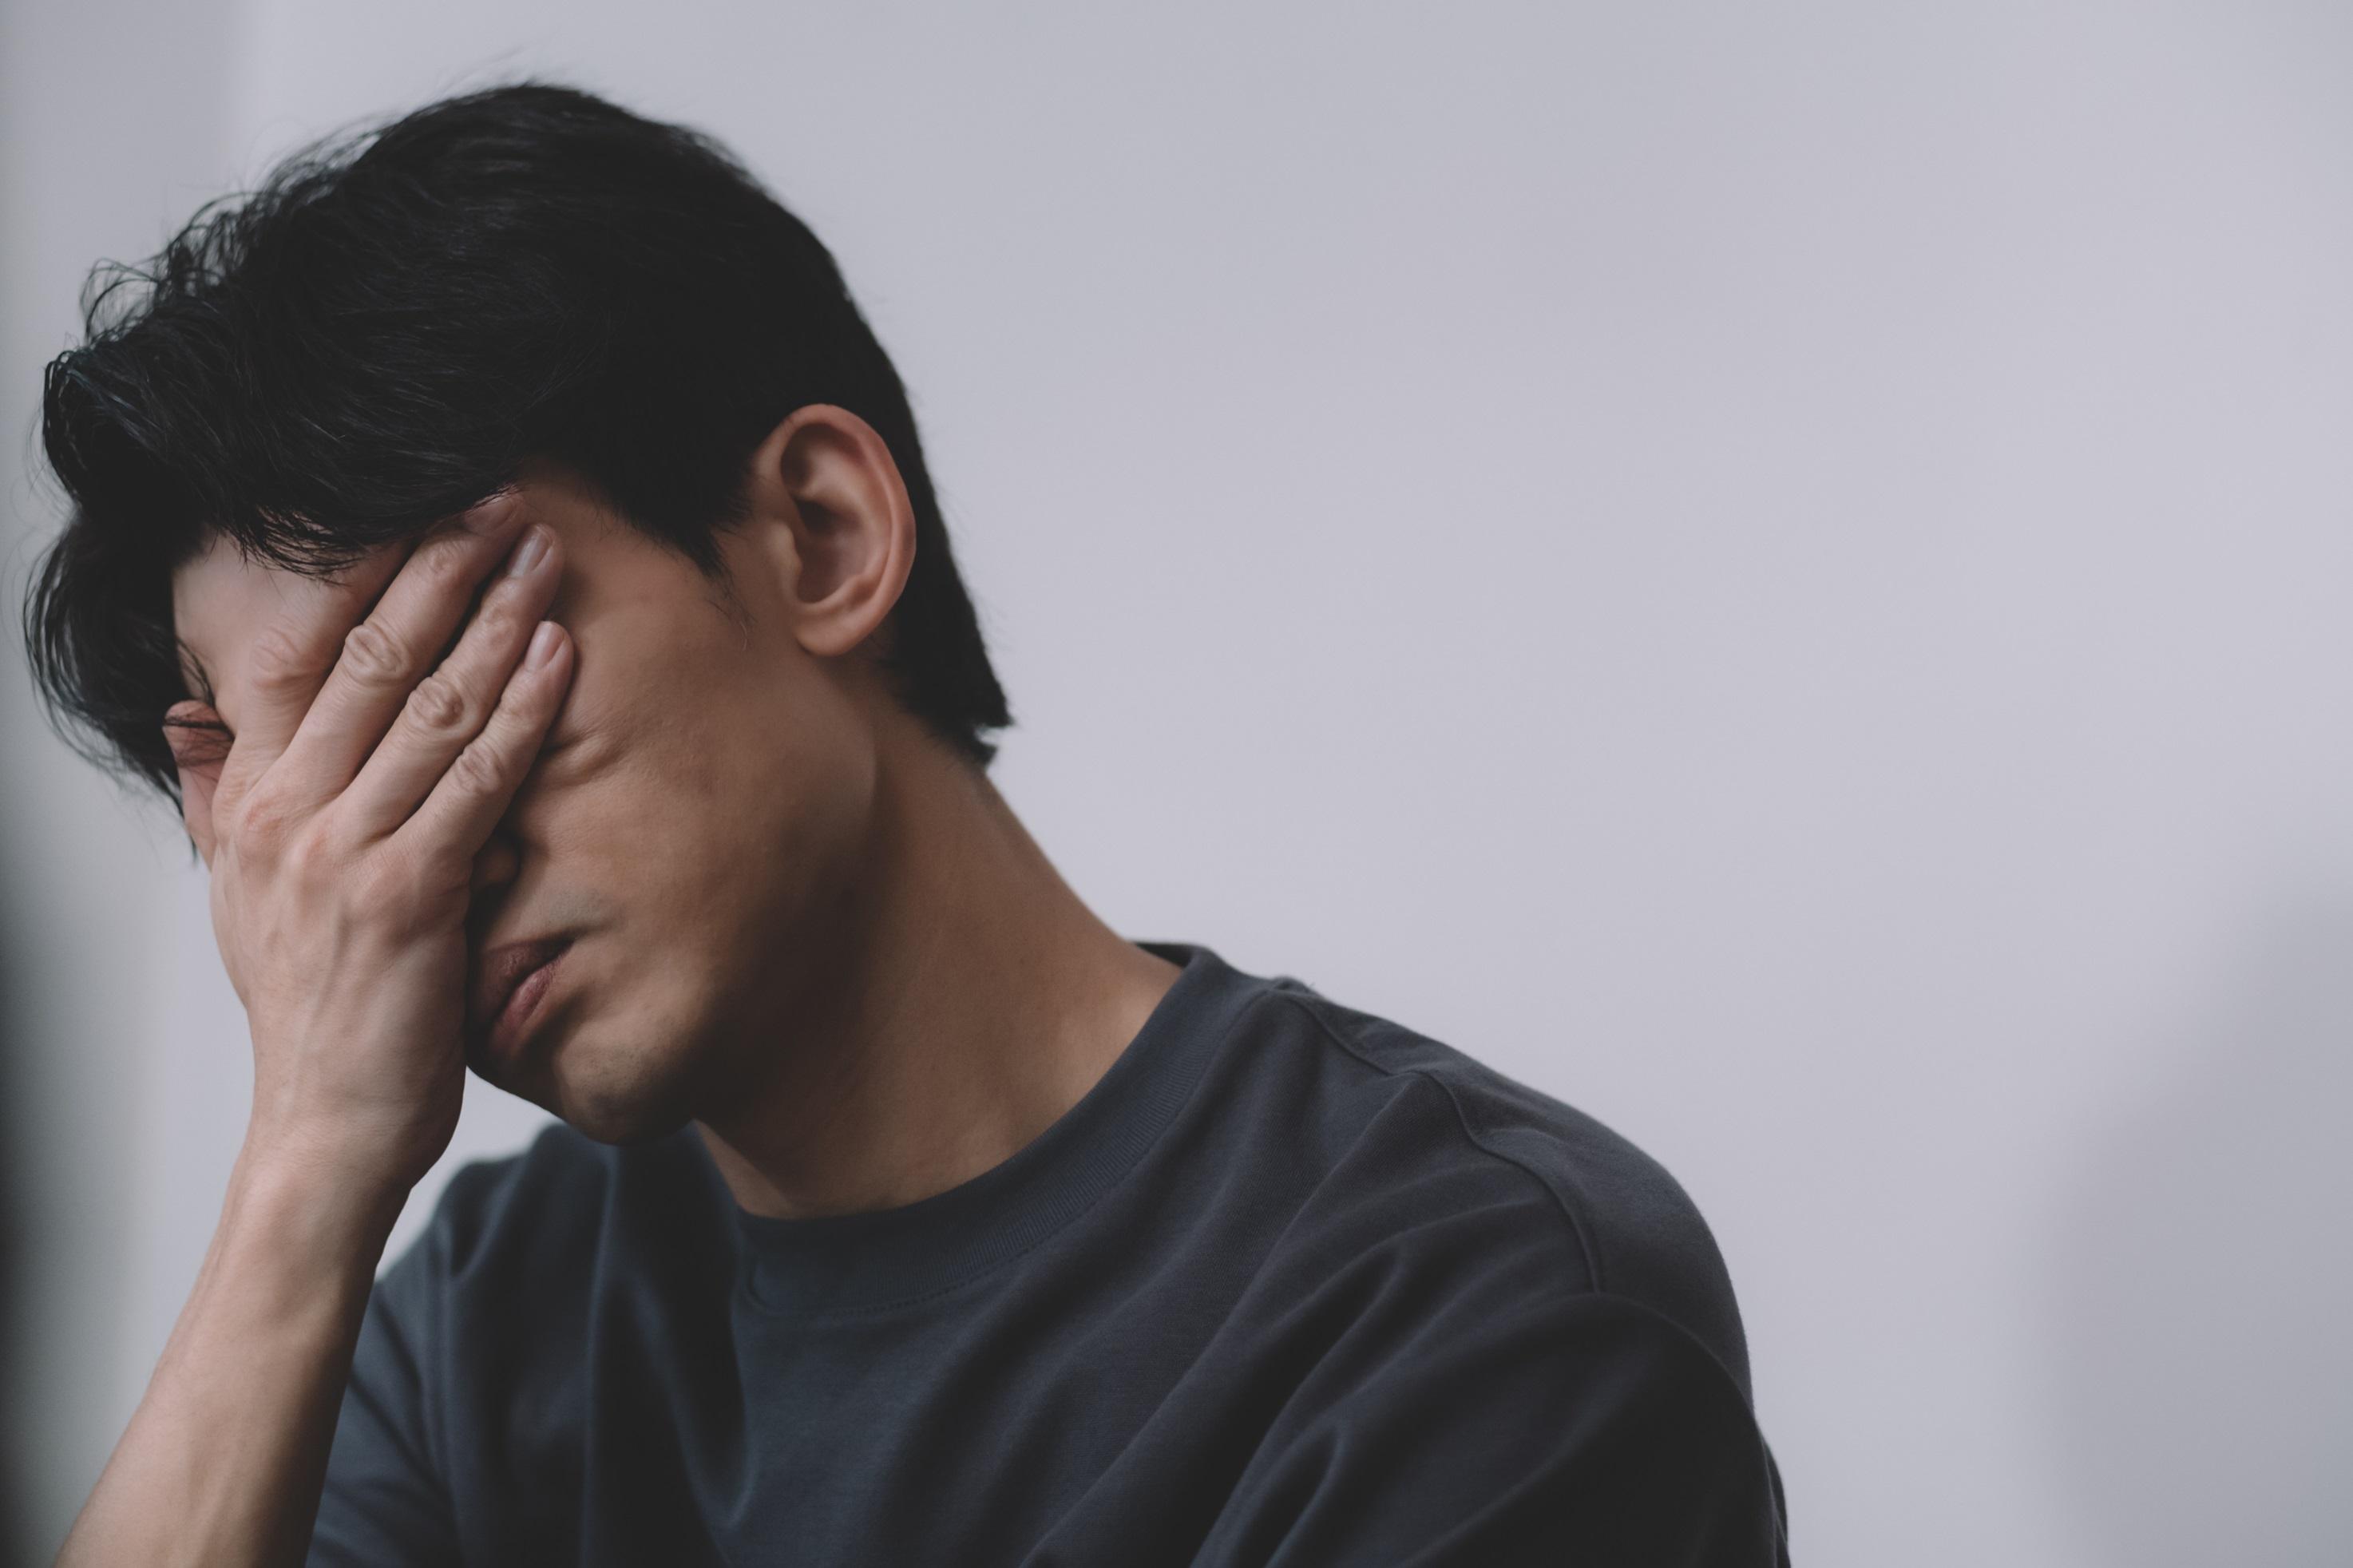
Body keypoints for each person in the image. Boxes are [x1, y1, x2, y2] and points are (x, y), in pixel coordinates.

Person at [22, 78, 1791, 1567]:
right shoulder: (490, 1320)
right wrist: (307, 1166)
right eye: (291, 809)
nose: (388, 873)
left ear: (820, 535)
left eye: (430, 697)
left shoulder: (1465, 1309)